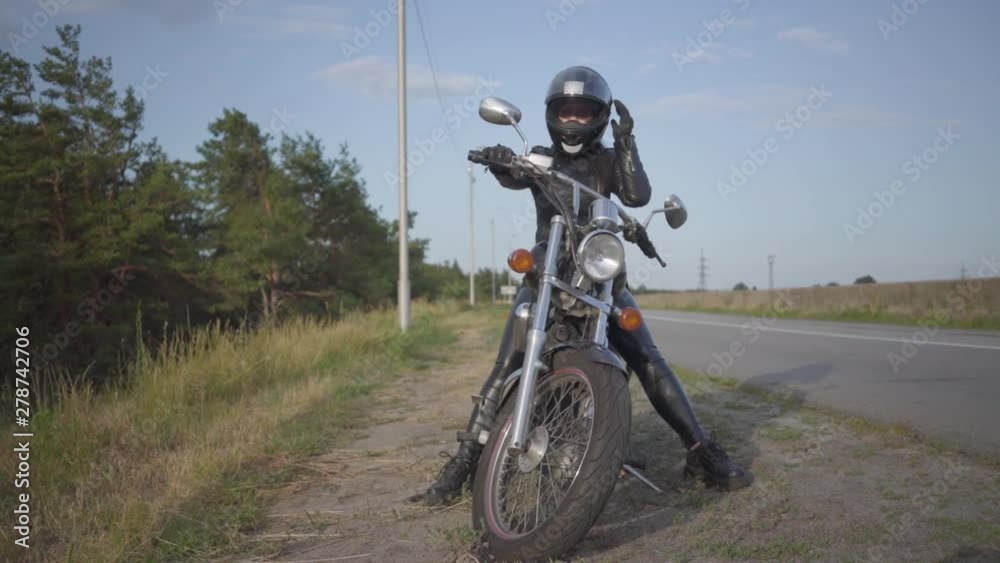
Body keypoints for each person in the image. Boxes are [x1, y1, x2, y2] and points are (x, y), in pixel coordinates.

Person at [411, 66, 752, 506]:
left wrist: (626, 142)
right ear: (552, 114)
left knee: (648, 359)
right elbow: (513, 173)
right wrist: (499, 160)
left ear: (600, 117)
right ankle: (465, 461)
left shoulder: (608, 160)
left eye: (583, 112)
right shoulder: (540, 158)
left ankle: (702, 450)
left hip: (601, 277)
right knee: (508, 359)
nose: (573, 120)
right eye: (565, 111)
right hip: (548, 275)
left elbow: (636, 196)